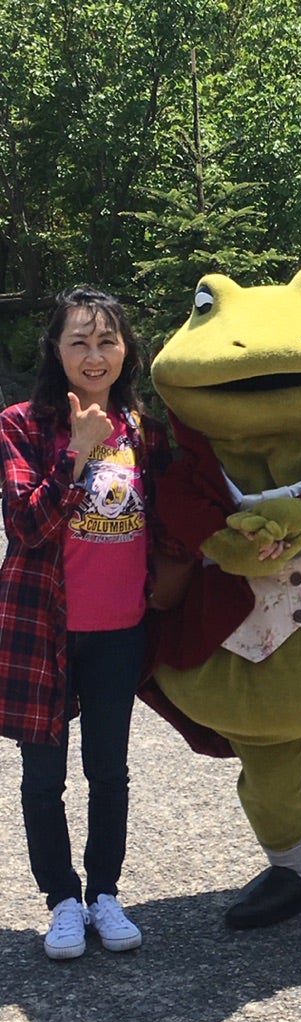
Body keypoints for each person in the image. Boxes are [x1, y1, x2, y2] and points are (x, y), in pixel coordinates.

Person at [0, 286, 172, 960]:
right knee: (44, 779)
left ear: (126, 350)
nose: (94, 355)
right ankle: (62, 901)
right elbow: (26, 527)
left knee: (110, 771)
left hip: (119, 628)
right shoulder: (21, 423)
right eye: (79, 341)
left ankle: (104, 892)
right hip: (43, 626)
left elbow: (173, 522)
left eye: (106, 341)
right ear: (56, 349)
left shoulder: (142, 430)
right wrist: (75, 452)